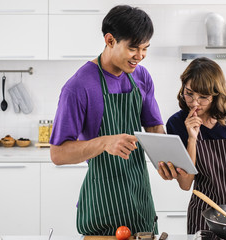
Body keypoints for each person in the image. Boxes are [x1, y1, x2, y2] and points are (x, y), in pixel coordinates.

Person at [49, 5, 165, 236]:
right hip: (103, 205)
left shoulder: (141, 77)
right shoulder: (78, 86)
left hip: (141, 200)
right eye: (133, 48)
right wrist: (104, 143)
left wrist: (166, 160)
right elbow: (58, 154)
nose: (140, 56)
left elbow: (154, 127)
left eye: (145, 49)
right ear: (110, 40)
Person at [158, 57, 226, 235]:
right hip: (206, 216)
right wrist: (192, 139)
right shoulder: (176, 123)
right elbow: (185, 184)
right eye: (189, 93)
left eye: (203, 97)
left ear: (216, 94)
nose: (194, 103)